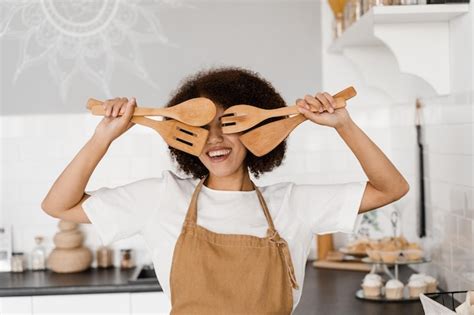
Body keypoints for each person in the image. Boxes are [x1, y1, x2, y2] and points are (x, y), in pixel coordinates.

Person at [41, 66, 409, 314]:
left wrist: (342, 124)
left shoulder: (292, 204)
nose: (214, 139)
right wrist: (104, 136)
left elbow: (391, 188)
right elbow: (58, 205)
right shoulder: (162, 197)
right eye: (201, 126)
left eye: (228, 123)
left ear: (255, 130)